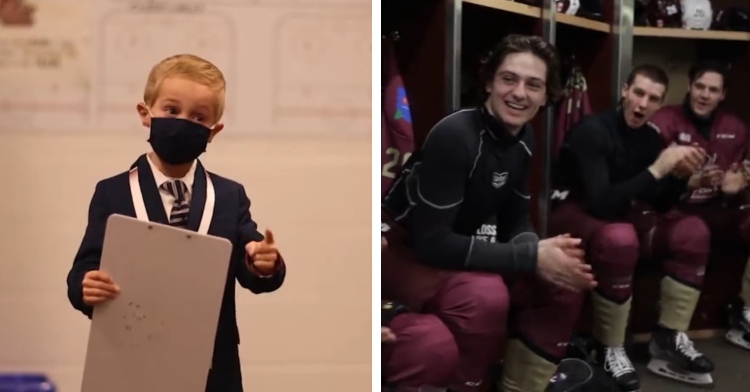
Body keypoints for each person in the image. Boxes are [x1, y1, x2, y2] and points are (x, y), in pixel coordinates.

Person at [381, 34, 596, 392]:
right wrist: (531, 255)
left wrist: (543, 255)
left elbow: (515, 220)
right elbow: (432, 243)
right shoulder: (456, 135)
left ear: (546, 95)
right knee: (486, 296)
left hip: (452, 249)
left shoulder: (524, 138)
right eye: (508, 79)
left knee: (563, 283)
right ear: (488, 83)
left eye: (534, 84)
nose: (519, 93)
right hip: (406, 256)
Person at [65, 54, 286, 392]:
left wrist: (263, 263)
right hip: (132, 359)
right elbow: (86, 266)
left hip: (214, 366)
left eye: (199, 117)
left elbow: (252, 264)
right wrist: (85, 286)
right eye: (171, 110)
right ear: (145, 114)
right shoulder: (112, 192)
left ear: (213, 132)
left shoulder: (229, 196)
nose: (184, 122)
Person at [548, 64, 711, 391]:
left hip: (619, 216)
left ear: (660, 104)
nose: (642, 104)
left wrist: (677, 177)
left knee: (693, 231)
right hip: (572, 213)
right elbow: (601, 202)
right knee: (621, 238)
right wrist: (657, 168)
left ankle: (668, 336)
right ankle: (609, 347)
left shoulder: (650, 138)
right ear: (624, 91)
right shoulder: (592, 131)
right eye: (638, 93)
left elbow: (660, 201)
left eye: (653, 99)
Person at [648, 60, 750, 352]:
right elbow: (646, 184)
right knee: (694, 231)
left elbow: (737, 178)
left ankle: (745, 311)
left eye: (713, 90)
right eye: (700, 87)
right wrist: (686, 182)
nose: (705, 95)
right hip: (671, 211)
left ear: (722, 95)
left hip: (716, 210)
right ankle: (669, 334)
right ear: (690, 87)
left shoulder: (735, 128)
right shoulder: (664, 121)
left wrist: (735, 188)